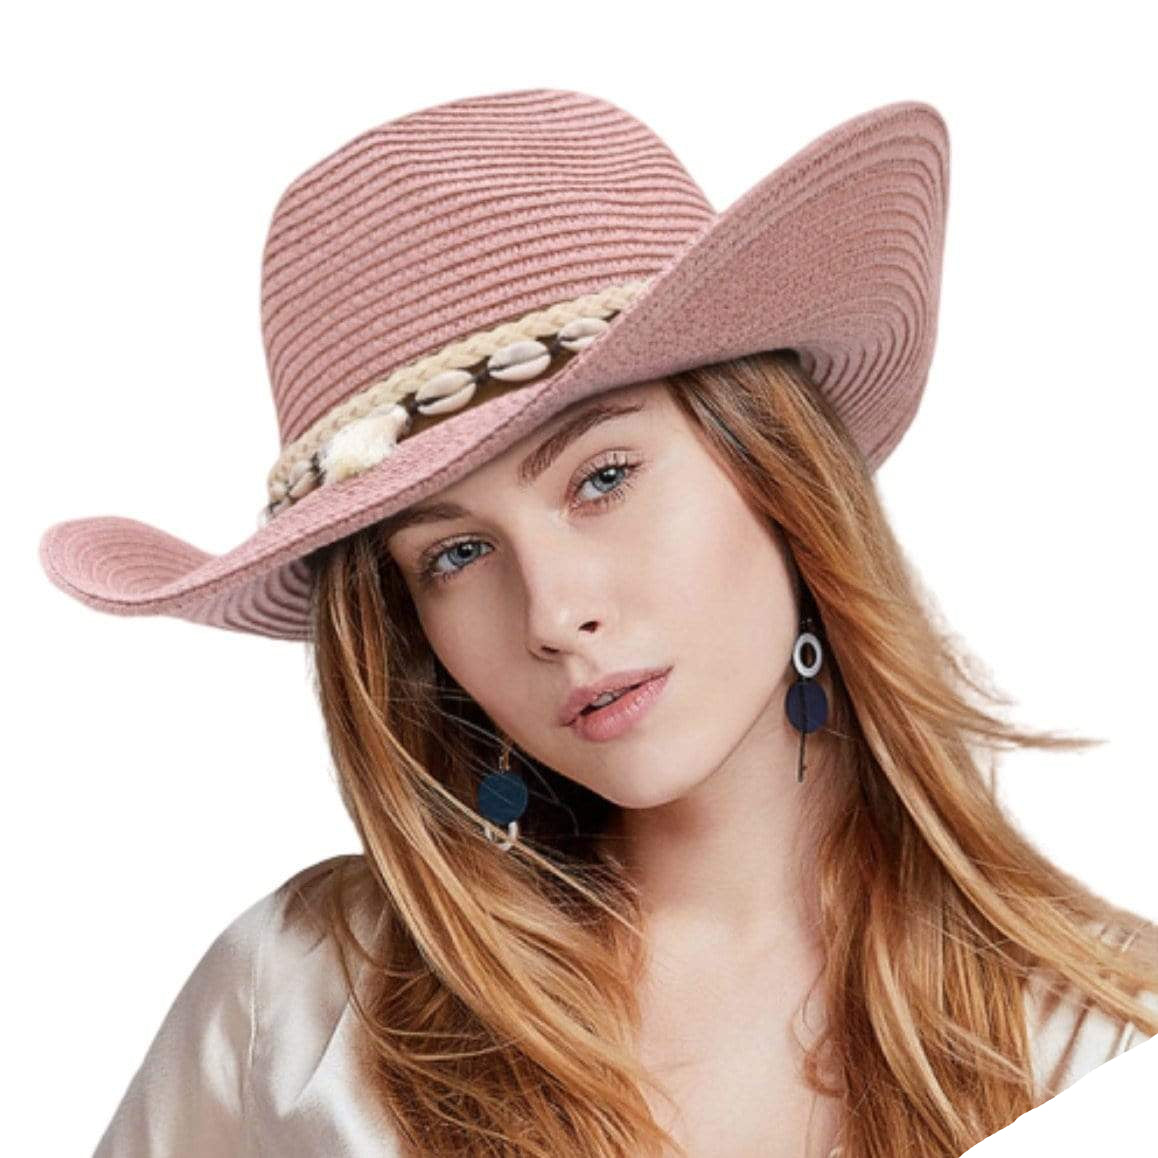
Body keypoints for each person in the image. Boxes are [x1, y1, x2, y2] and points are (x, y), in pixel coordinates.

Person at [39, 89, 1158, 1158]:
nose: (555, 613)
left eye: (603, 476)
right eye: (456, 554)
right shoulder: (300, 1002)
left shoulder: (1102, 1039)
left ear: (775, 468)